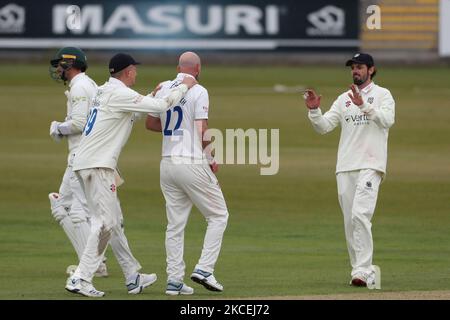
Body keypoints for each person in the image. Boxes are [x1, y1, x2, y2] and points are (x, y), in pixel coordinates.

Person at [65, 53, 196, 298]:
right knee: (104, 223)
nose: (136, 72)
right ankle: (80, 278)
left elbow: (134, 110)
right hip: (98, 165)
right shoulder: (118, 94)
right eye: (134, 69)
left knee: (113, 223)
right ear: (127, 72)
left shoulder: (105, 91)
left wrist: (154, 94)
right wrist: (183, 88)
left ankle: (132, 276)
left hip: (92, 163)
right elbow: (157, 108)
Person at [303, 53, 395, 289]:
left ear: (371, 70)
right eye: (353, 67)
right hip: (345, 167)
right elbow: (324, 127)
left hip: (371, 164)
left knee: (359, 215)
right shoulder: (343, 99)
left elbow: (387, 120)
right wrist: (314, 111)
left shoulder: (383, 95)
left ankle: (364, 270)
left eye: (360, 67)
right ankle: (359, 271)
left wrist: (364, 105)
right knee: (349, 222)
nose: (356, 71)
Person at [146, 51, 229, 295]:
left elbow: (151, 124)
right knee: (218, 216)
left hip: (167, 163)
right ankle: (204, 268)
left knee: (175, 225)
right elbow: (202, 127)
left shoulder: (162, 88)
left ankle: (173, 280)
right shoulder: (198, 90)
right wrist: (212, 157)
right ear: (198, 68)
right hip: (191, 162)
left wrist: (176, 128)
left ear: (178, 67)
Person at [48, 47, 107, 277]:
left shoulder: (81, 87)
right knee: (61, 205)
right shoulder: (88, 85)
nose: (58, 70)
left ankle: (92, 265)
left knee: (77, 211)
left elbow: (80, 123)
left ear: (70, 65)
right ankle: (94, 262)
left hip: (81, 156)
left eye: (60, 65)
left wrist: (58, 128)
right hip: (87, 155)